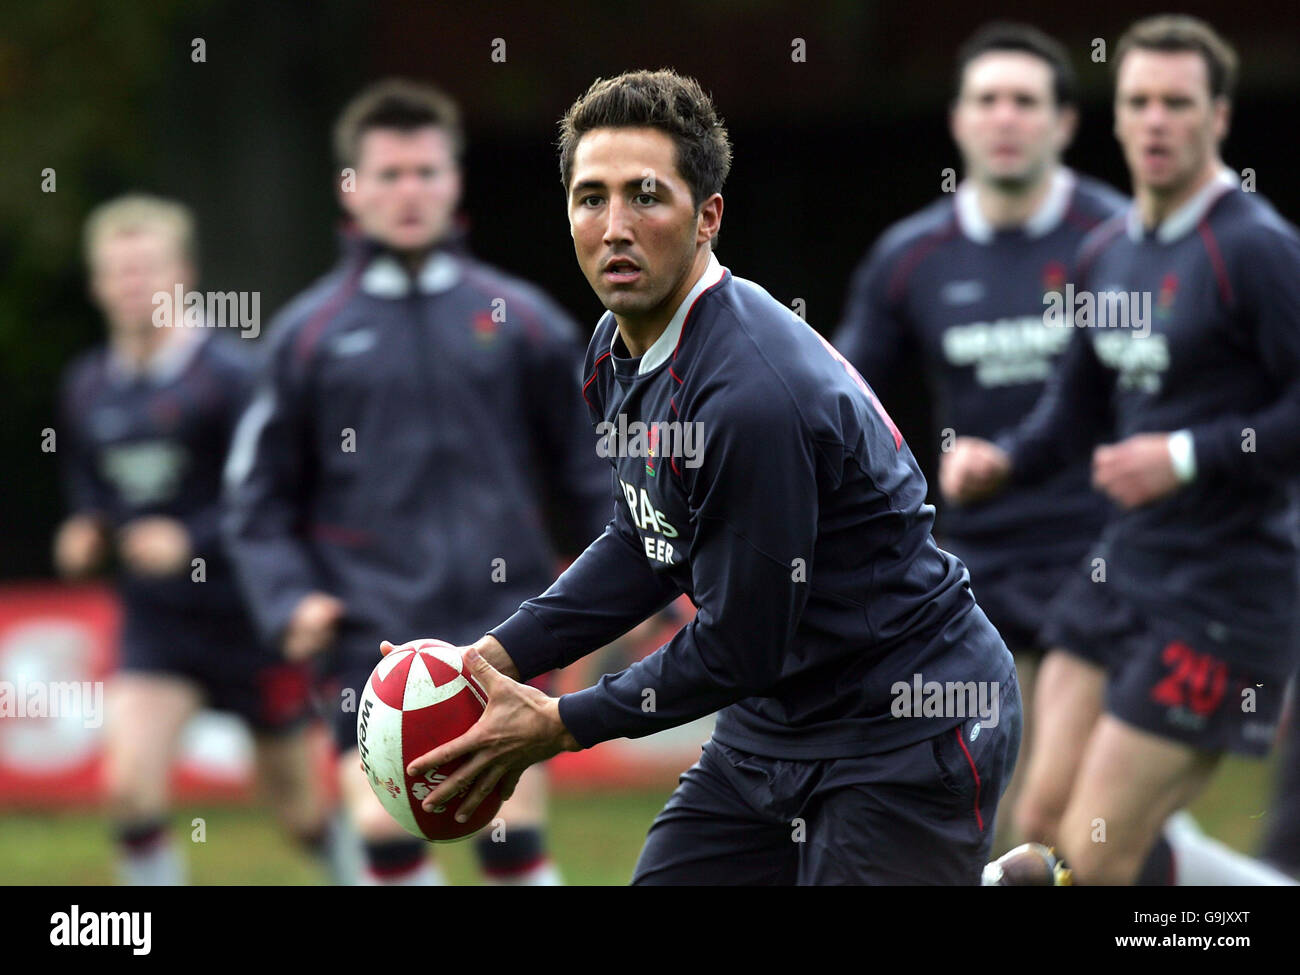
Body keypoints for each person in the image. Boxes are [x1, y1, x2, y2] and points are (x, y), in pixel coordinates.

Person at [392, 68, 1022, 885]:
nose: (614, 226)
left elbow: (738, 644)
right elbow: (645, 539)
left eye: (645, 196)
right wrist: (493, 657)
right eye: (591, 198)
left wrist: (563, 721)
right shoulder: (617, 352)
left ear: (707, 217)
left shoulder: (751, 396)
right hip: (773, 728)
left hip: (903, 727)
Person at [223, 80, 609, 885]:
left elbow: (589, 468)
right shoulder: (308, 337)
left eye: (427, 172)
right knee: (388, 828)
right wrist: (287, 597)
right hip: (367, 625)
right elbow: (254, 498)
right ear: (351, 188)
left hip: (504, 621)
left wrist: (626, 585)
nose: (410, 191)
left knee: (508, 829)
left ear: (455, 182)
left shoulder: (522, 318)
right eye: (390, 173)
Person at [945, 15, 1300, 885]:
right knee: (1039, 820)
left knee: (1094, 855)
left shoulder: (1254, 248)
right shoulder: (1106, 255)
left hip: (1226, 588)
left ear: (1219, 116)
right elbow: (1073, 416)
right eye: (1138, 100)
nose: (1155, 121)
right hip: (1124, 567)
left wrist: (1185, 456)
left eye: (1178, 102)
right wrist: (1003, 462)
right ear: (1115, 117)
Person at [833, 22, 1125, 854]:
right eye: (987, 100)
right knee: (975, 808)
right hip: (971, 568)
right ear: (959, 121)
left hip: (1102, 555)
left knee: (1064, 819)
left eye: (1026, 101)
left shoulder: (1115, 242)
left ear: (1064, 123)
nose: (1006, 117)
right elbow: (842, 407)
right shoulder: (910, 256)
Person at [56, 194, 333, 885]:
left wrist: (192, 539)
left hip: (250, 619)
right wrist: (86, 529)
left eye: (145, 268)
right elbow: (93, 488)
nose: (132, 284)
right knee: (127, 789)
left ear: (182, 273)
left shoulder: (234, 377)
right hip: (159, 622)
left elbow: (277, 498)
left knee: (299, 811)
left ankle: (365, 870)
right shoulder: (87, 386)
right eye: (117, 271)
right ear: (96, 283)